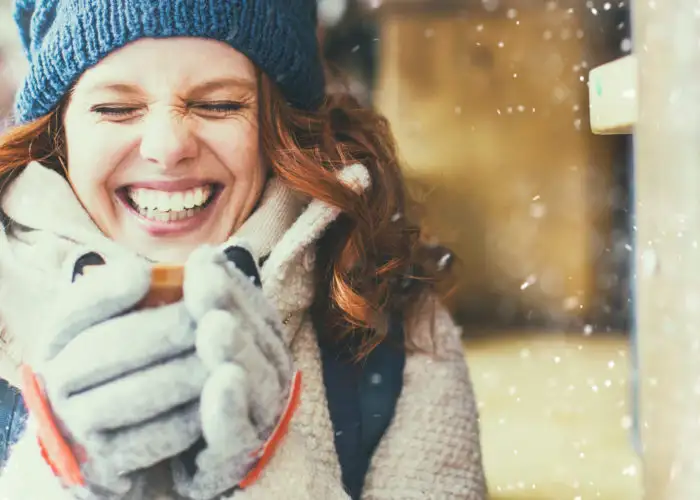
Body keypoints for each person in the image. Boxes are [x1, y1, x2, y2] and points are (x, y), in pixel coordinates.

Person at [0, 0, 487, 499]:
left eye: (218, 105)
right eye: (116, 108)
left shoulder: (397, 336)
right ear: (59, 133)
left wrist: (267, 469)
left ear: (281, 128)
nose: (168, 146)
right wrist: (61, 475)